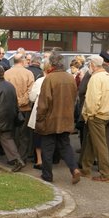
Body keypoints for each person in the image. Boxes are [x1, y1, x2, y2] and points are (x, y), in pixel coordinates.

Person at [34, 52, 82, 184]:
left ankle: (47, 175)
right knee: (65, 146)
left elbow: (43, 103)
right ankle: (74, 169)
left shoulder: (49, 78)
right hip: (66, 118)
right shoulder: (70, 78)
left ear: (52, 63)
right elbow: (74, 98)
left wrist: (40, 119)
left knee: (47, 148)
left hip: (51, 119)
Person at [79, 55, 109, 183]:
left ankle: (105, 173)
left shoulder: (95, 78)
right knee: (92, 142)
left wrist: (89, 114)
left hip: (96, 114)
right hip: (106, 114)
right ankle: (85, 169)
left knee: (100, 145)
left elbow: (92, 99)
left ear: (92, 65)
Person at [4, 52, 35, 163]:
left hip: (10, 108)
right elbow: (30, 91)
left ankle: (12, 157)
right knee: (24, 135)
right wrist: (21, 101)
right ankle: (21, 157)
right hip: (25, 108)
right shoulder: (28, 73)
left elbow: (5, 92)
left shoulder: (6, 73)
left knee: (11, 134)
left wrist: (14, 102)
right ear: (22, 61)